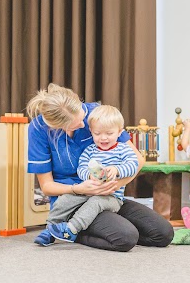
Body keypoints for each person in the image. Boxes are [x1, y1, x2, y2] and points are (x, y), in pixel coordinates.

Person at [27, 83, 174, 251]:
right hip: (73, 200)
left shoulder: (97, 114)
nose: (84, 126)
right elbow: (47, 187)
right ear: (58, 128)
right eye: (76, 124)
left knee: (163, 233)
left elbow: (137, 160)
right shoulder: (39, 129)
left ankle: (100, 227)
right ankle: (67, 229)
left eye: (83, 118)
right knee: (126, 238)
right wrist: (80, 188)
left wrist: (115, 184)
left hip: (108, 195)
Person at [46, 105, 139, 243]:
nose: (103, 138)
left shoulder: (123, 149)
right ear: (91, 131)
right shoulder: (90, 150)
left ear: (119, 132)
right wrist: (88, 176)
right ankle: (49, 229)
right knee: (66, 199)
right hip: (88, 192)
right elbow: (81, 167)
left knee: (95, 203)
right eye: (97, 133)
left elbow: (133, 165)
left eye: (109, 133)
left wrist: (117, 170)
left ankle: (71, 229)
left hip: (111, 197)